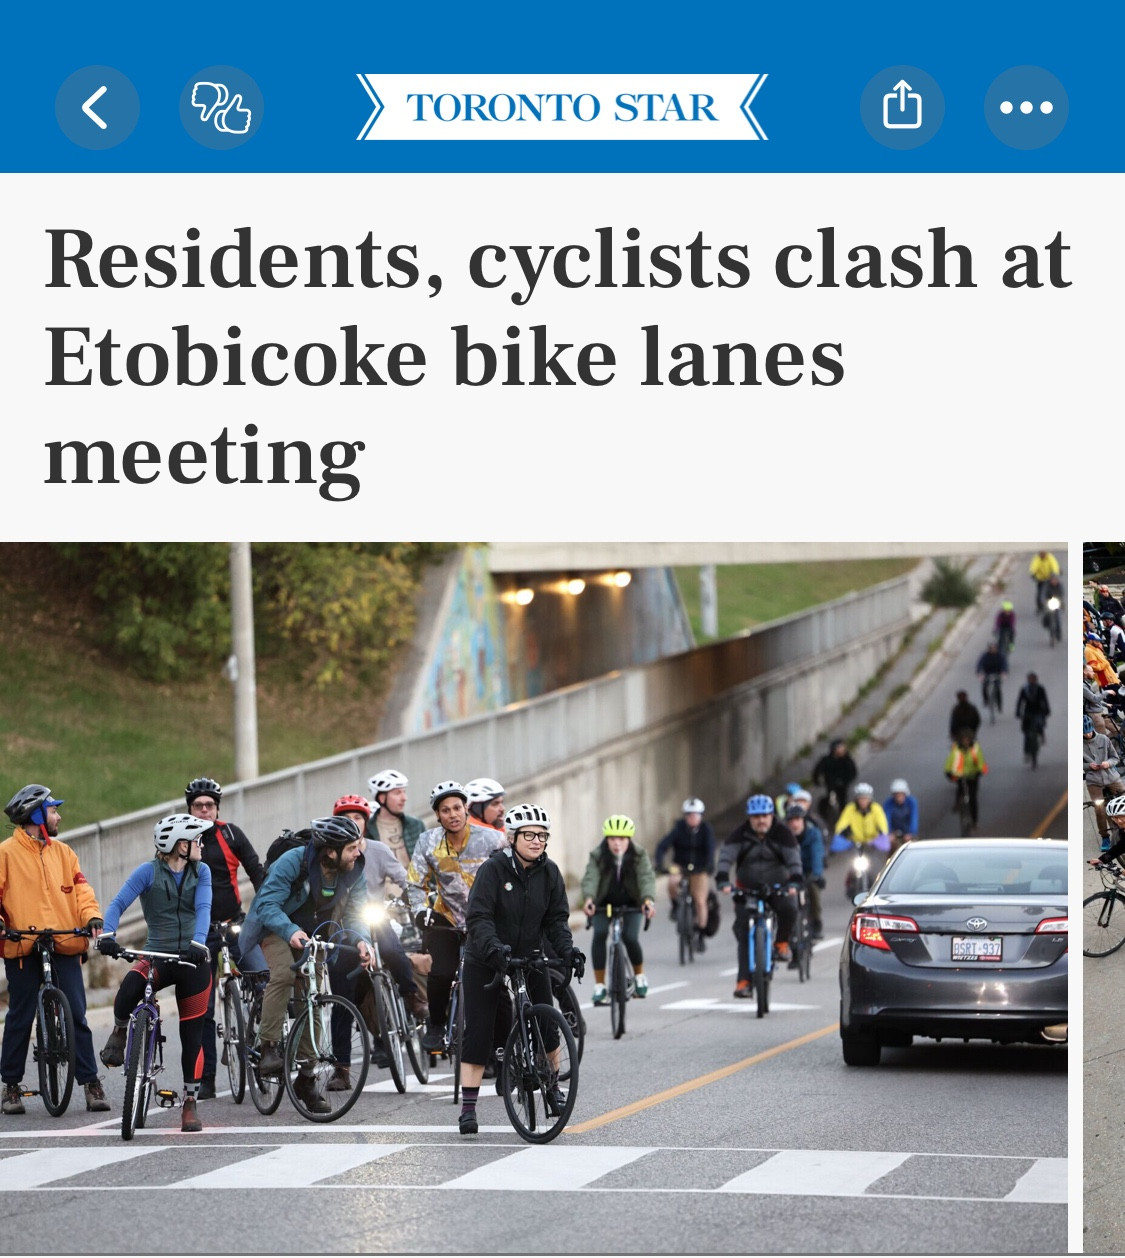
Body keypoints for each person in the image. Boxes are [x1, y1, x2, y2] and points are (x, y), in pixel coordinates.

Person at [458, 803, 580, 1136]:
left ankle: (552, 1087)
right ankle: (469, 1108)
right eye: (530, 835)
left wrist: (568, 951)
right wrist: (493, 948)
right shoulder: (493, 870)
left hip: (529, 953)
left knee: (547, 1023)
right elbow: (479, 918)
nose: (537, 841)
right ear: (513, 838)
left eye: (542, 836)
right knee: (479, 1030)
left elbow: (556, 920)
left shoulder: (550, 872)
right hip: (487, 954)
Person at [238, 815, 373, 1110]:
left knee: (312, 996)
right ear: (330, 851)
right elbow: (267, 904)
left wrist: (363, 940)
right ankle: (269, 1046)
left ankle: (307, 1078)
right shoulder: (293, 862)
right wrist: (290, 931)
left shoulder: (353, 870)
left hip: (316, 935)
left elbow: (356, 913)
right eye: (351, 848)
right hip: (276, 929)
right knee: (286, 975)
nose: (358, 853)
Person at [96, 813, 214, 1133]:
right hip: (156, 954)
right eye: (196, 840)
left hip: (192, 959)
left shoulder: (201, 872)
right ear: (179, 846)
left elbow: (204, 909)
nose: (201, 845)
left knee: (192, 1037)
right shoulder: (148, 872)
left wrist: (198, 943)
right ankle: (121, 1032)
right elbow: (119, 903)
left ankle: (189, 1104)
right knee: (127, 992)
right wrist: (107, 935)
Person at [0, 784, 109, 1115]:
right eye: (53, 810)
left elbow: (82, 892)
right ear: (36, 815)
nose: (58, 816)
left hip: (64, 943)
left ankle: (91, 1084)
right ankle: (11, 1087)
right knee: (20, 1015)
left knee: (77, 1013)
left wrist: (91, 917)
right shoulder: (5, 853)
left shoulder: (65, 852)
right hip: (22, 945)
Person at [407, 781, 508, 1053]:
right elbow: (415, 884)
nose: (452, 814)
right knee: (440, 973)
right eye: (445, 810)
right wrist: (420, 910)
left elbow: (509, 877)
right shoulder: (427, 842)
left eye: (456, 808)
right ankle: (437, 1025)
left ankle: (501, 1051)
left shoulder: (491, 839)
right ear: (438, 816)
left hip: (484, 920)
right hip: (446, 918)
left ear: (466, 809)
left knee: (494, 985)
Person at [183, 775, 265, 1101]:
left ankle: (259, 1046)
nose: (204, 810)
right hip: (201, 931)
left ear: (217, 809)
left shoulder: (231, 834)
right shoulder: (181, 838)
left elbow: (256, 870)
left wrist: (265, 910)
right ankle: (206, 1078)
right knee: (201, 1007)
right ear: (189, 809)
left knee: (264, 980)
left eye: (209, 806)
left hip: (234, 922)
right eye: (198, 806)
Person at [332, 793, 427, 1041]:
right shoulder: (334, 855)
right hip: (347, 925)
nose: (353, 822)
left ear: (366, 821)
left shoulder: (379, 850)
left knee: (393, 951)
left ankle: (411, 996)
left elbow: (403, 878)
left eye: (357, 817)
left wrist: (412, 896)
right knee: (349, 981)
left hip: (375, 915)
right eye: (346, 818)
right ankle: (370, 1029)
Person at [715, 794, 802, 998]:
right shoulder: (739, 834)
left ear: (772, 815)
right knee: (743, 931)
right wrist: (722, 879)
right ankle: (743, 981)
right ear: (749, 818)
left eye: (764, 816)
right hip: (747, 889)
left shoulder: (783, 833)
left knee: (790, 907)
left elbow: (793, 858)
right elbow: (726, 857)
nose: (761, 820)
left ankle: (781, 943)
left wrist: (795, 880)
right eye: (756, 817)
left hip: (777, 887)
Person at [582, 814, 657, 1004]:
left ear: (629, 839)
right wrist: (589, 899)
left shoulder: (639, 855)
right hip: (603, 903)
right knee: (599, 934)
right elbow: (591, 877)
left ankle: (639, 976)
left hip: (632, 902)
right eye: (612, 838)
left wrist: (647, 900)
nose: (617, 844)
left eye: (622, 839)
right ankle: (600, 986)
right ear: (606, 839)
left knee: (630, 937)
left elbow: (646, 878)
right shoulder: (598, 855)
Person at [654, 797, 715, 950]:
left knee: (701, 901)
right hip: (680, 865)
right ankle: (675, 906)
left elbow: (711, 851)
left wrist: (708, 866)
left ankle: (700, 933)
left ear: (701, 816)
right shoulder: (679, 829)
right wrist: (660, 862)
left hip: (700, 868)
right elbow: (662, 845)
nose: (692, 818)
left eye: (695, 815)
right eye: (689, 815)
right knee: (673, 882)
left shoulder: (706, 830)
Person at [365, 769, 426, 878]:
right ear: (382, 798)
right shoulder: (367, 829)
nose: (404, 798)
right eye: (397, 793)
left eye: (404, 792)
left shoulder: (416, 825)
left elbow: (428, 863)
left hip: (414, 891)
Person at [831, 783, 891, 893]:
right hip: (856, 843)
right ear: (856, 799)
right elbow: (841, 824)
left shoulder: (876, 809)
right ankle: (850, 883)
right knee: (853, 864)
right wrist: (840, 833)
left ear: (870, 799)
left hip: (872, 844)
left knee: (874, 867)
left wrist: (882, 834)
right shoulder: (850, 809)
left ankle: (876, 887)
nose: (863, 801)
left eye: (865, 798)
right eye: (861, 798)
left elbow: (883, 824)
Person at [784, 804, 825, 941]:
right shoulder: (784, 836)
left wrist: (817, 874)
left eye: (798, 820)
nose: (794, 824)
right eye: (791, 820)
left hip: (808, 870)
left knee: (813, 891)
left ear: (803, 820)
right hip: (791, 871)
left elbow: (817, 854)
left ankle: (816, 922)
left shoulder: (813, 834)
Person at [1084, 715, 1125, 850]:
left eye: (1089, 731)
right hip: (1094, 782)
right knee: (1099, 809)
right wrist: (1088, 766)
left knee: (1123, 803)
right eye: (1084, 733)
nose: (1087, 735)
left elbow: (1116, 757)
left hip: (1112, 778)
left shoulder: (1104, 739)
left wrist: (1108, 763)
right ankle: (1105, 837)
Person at [944, 730, 989, 832]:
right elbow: (950, 761)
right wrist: (949, 773)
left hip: (973, 776)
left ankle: (974, 821)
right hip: (960, 775)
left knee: (973, 798)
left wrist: (979, 771)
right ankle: (957, 803)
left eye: (967, 740)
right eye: (963, 740)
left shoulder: (975, 749)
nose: (965, 742)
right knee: (960, 789)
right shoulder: (956, 749)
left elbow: (980, 761)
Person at [811, 738, 857, 827]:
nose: (842, 750)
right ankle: (826, 817)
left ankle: (845, 821)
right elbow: (817, 771)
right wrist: (817, 781)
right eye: (839, 748)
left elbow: (853, 772)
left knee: (843, 802)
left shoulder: (847, 760)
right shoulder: (827, 760)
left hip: (843, 786)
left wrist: (846, 781)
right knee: (830, 800)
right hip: (831, 785)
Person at [1014, 673, 1051, 762]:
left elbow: (1045, 700)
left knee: (1040, 724)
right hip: (1028, 712)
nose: (1032, 681)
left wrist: (1046, 710)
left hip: (1038, 711)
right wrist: (1018, 712)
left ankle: (1041, 734)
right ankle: (1027, 752)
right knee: (1026, 733)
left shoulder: (1040, 689)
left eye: (1033, 679)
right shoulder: (1024, 689)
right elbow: (1020, 702)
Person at [882, 778, 919, 850]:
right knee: (891, 844)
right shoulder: (888, 803)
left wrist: (911, 832)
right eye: (896, 795)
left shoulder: (912, 802)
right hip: (894, 831)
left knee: (911, 845)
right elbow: (886, 818)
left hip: (908, 830)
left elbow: (914, 818)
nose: (899, 797)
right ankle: (890, 859)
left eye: (901, 795)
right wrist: (889, 833)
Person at [975, 640, 1009, 711]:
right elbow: (979, 664)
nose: (993, 650)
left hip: (997, 673)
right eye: (991, 648)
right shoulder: (984, 656)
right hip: (987, 673)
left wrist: (1004, 673)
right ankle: (986, 700)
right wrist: (979, 673)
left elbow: (1004, 664)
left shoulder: (1000, 656)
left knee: (998, 688)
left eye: (994, 648)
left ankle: (999, 704)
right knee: (984, 687)